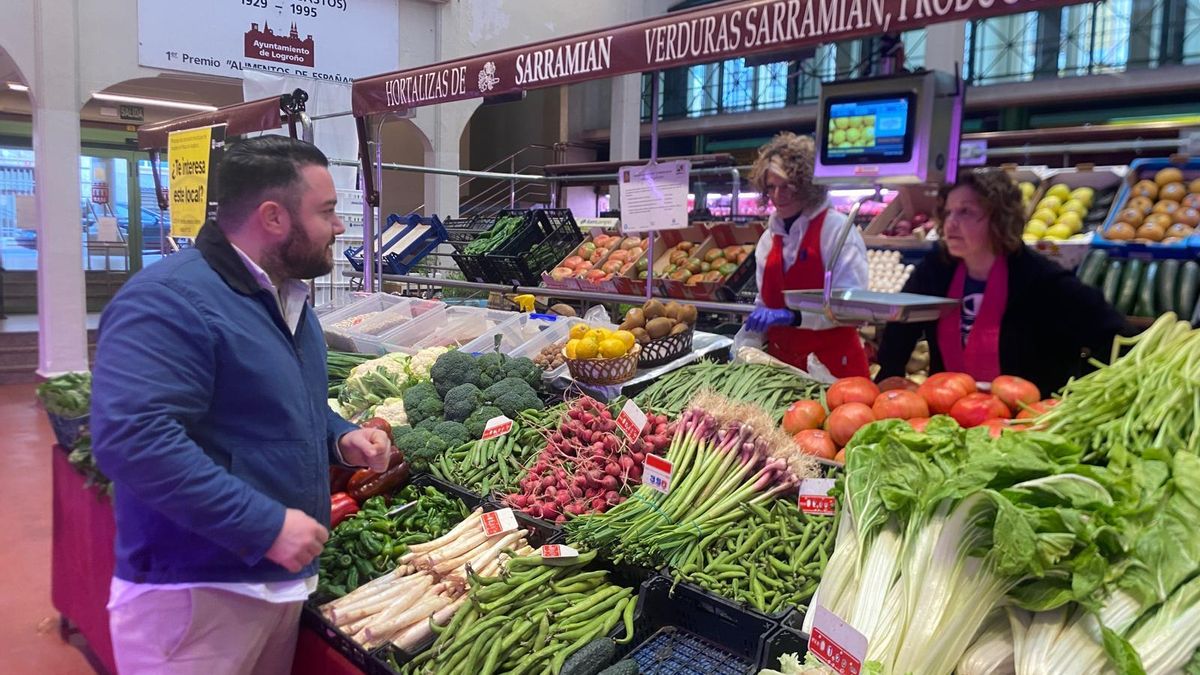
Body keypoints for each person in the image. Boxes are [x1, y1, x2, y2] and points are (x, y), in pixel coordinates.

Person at [91, 136, 392, 674]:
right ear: (274, 218)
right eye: (326, 212)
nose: (340, 227)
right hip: (196, 595)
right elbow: (133, 440)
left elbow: (287, 403)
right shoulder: (168, 300)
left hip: (271, 584)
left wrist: (339, 436)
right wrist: (265, 525)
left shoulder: (285, 297)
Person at [875, 169, 1130, 396]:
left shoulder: (1041, 279)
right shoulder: (936, 268)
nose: (950, 223)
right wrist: (887, 382)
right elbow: (901, 323)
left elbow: (1115, 333)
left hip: (1023, 422)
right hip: (948, 411)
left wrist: (1078, 390)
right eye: (948, 212)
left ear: (1000, 218)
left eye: (966, 212)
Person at [735, 132, 871, 377]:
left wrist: (795, 316)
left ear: (807, 185)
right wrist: (749, 339)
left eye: (787, 186)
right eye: (771, 187)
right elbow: (765, 303)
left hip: (834, 371)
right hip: (781, 370)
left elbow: (854, 308)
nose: (778, 195)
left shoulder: (837, 230)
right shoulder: (769, 239)